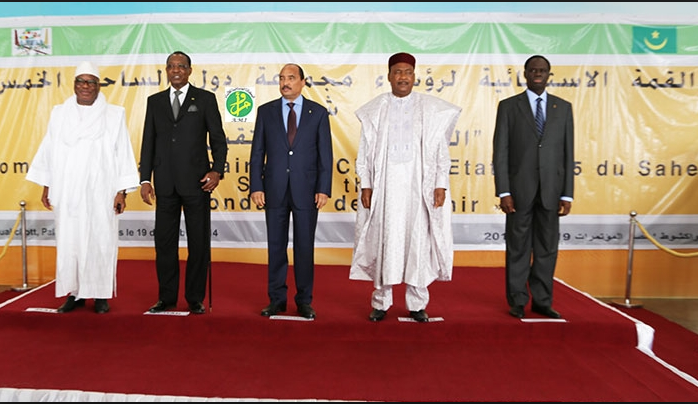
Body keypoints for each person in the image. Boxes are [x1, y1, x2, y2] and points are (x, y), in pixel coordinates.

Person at [349, 52, 462, 323]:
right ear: (389, 76)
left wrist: (440, 184)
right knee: (385, 242)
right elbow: (364, 152)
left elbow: (440, 152)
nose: (403, 77)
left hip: (419, 187)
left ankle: (417, 303)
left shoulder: (431, 109)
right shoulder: (375, 110)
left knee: (418, 243)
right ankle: (381, 302)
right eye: (397, 72)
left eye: (408, 72)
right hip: (385, 188)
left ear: (414, 76)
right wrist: (366, 184)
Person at [26, 61, 140, 314]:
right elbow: (49, 149)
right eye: (81, 81)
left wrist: (121, 191)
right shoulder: (59, 113)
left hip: (101, 191)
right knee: (70, 242)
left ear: (98, 86)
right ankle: (74, 294)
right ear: (74, 84)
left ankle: (100, 295)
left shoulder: (114, 114)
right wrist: (47, 185)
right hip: (68, 191)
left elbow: (123, 152)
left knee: (100, 240)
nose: (85, 86)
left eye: (91, 82)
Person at [139, 51, 228, 315]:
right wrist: (145, 179)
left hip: (197, 183)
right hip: (165, 184)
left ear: (189, 70)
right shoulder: (155, 102)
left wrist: (216, 171)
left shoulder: (205, 99)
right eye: (171, 66)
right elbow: (148, 142)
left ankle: (194, 298)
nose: (176, 70)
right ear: (166, 71)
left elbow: (218, 139)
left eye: (181, 66)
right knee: (164, 244)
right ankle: (166, 298)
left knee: (198, 244)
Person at [492, 54, 574, 320]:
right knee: (518, 247)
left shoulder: (563, 108)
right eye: (533, 70)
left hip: (552, 191)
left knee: (547, 248)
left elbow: (568, 154)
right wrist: (504, 191)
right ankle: (517, 300)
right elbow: (500, 152)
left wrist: (567, 193)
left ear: (549, 75)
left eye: (542, 70)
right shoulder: (509, 107)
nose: (537, 73)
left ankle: (542, 301)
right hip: (518, 192)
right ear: (525, 74)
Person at [249, 63, 333, 320]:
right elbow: (257, 152)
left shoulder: (318, 113)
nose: (285, 83)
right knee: (276, 246)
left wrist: (323, 188)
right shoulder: (266, 111)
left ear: (303, 82)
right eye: (282, 78)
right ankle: (276, 300)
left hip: (306, 190)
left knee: (304, 247)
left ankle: (304, 301)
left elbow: (325, 154)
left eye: (291, 78)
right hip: (274, 188)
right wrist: (256, 185)